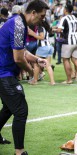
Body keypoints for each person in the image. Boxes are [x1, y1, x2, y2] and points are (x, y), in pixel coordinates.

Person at [0, 1, 49, 155]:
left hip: (4, 72)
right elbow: (19, 58)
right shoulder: (19, 25)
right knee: (21, 110)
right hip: (3, 73)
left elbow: (23, 51)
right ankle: (19, 152)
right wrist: (32, 72)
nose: (42, 20)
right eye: (41, 16)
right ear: (33, 12)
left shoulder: (19, 22)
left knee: (9, 108)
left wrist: (37, 60)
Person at [55, 4, 77, 84]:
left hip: (68, 42)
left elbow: (59, 30)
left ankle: (69, 79)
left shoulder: (64, 18)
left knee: (66, 60)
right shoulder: (75, 18)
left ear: (66, 10)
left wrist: (54, 30)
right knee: (75, 60)